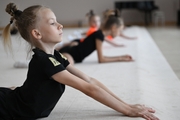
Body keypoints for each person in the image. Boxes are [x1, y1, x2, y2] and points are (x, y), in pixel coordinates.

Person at [1, 3, 159, 120]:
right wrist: (127, 111)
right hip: (8, 107)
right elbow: (88, 89)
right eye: (52, 23)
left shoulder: (56, 56)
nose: (60, 25)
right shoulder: (44, 61)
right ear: (37, 33)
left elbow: (89, 80)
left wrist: (127, 104)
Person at [56, 9, 133, 65]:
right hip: (70, 53)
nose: (120, 33)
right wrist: (121, 58)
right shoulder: (99, 36)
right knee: (68, 65)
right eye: (120, 30)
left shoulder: (100, 34)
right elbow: (101, 59)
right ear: (113, 28)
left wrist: (122, 56)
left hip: (73, 51)